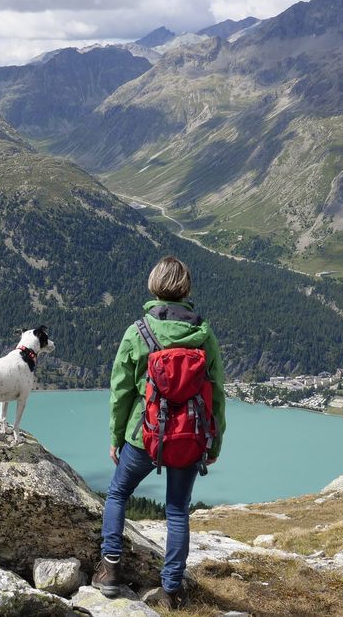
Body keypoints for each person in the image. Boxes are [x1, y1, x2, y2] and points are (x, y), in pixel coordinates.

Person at [92, 256, 226, 609]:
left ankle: (110, 571)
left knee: (118, 494)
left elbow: (121, 392)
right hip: (189, 437)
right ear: (185, 289)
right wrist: (215, 441)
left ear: (154, 286)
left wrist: (115, 437)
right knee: (178, 510)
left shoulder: (138, 332)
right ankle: (170, 592)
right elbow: (218, 393)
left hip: (144, 436)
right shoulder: (204, 333)